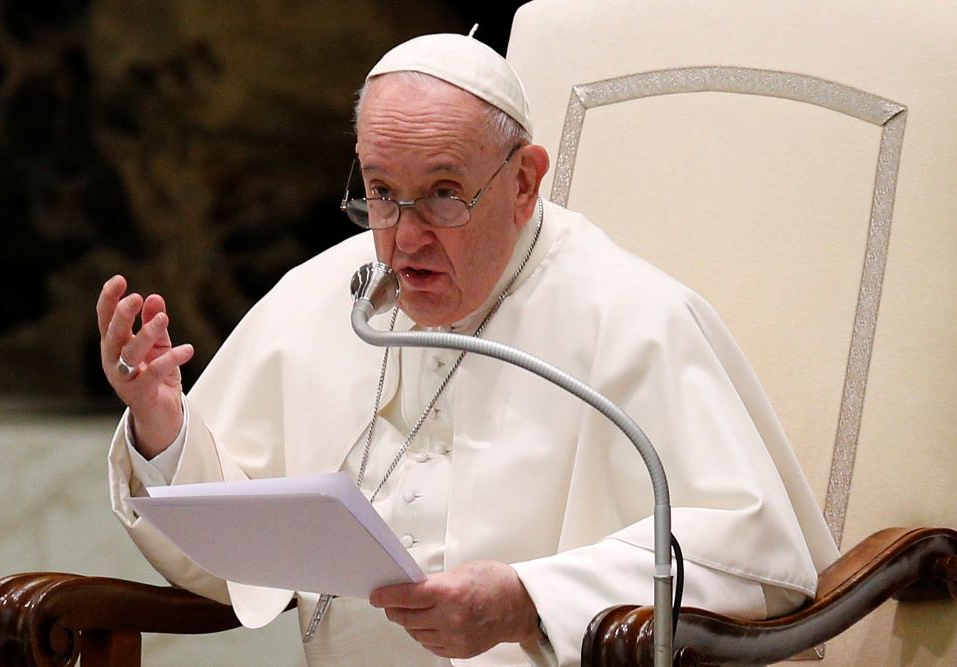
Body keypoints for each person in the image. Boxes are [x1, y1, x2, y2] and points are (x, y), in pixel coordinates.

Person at [97, 33, 838, 667]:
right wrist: (164, 425)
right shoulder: (323, 291)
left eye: (445, 193)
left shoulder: (633, 318)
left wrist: (528, 601)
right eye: (382, 193)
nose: (404, 237)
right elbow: (235, 542)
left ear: (524, 181)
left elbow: (752, 557)